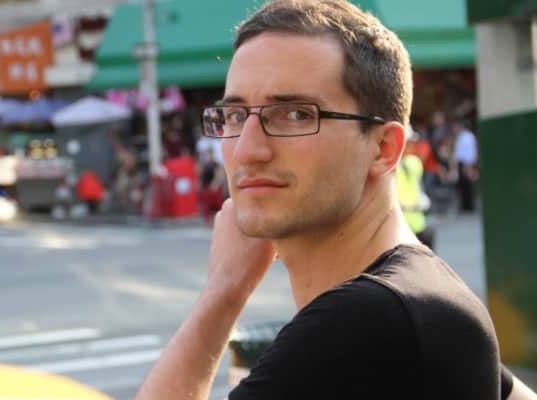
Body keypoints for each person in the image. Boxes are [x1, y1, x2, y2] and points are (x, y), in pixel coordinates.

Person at [136, 1, 536, 399]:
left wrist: (223, 291)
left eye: (295, 115)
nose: (246, 150)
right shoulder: (426, 299)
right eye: (236, 116)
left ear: (384, 148)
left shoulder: (365, 321)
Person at [452, 118, 479, 212]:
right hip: (461, 164)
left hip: (467, 163)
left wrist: (470, 166)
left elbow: (471, 152)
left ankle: (469, 206)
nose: (454, 129)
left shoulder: (468, 136)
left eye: (456, 127)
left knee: (468, 186)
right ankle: (465, 206)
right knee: (463, 186)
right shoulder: (460, 137)